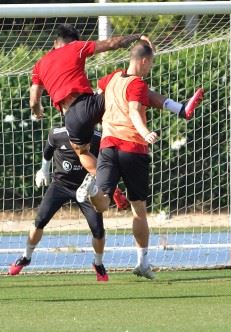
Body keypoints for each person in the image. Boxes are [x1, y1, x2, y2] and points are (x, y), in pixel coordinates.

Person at [30, 24, 203, 204]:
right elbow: (112, 43)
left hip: (71, 119)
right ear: (74, 41)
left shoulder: (39, 65)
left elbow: (34, 100)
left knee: (82, 153)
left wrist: (38, 111)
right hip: (87, 105)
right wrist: (137, 36)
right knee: (129, 86)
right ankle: (180, 109)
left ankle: (109, 192)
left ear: (54, 42)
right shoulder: (76, 47)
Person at [81, 40, 159, 279]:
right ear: (144, 61)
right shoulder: (137, 83)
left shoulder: (112, 78)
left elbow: (98, 92)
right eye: (151, 64)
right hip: (133, 148)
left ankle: (92, 188)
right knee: (138, 209)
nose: (150, 69)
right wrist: (146, 132)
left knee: (103, 202)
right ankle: (142, 262)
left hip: (107, 146)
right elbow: (135, 111)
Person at [8, 127, 129, 281]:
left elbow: (103, 168)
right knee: (39, 221)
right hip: (60, 185)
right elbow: (47, 152)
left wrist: (114, 191)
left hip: (87, 187)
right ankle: (26, 256)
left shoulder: (98, 138)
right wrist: (43, 170)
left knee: (98, 231)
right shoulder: (57, 134)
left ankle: (98, 263)